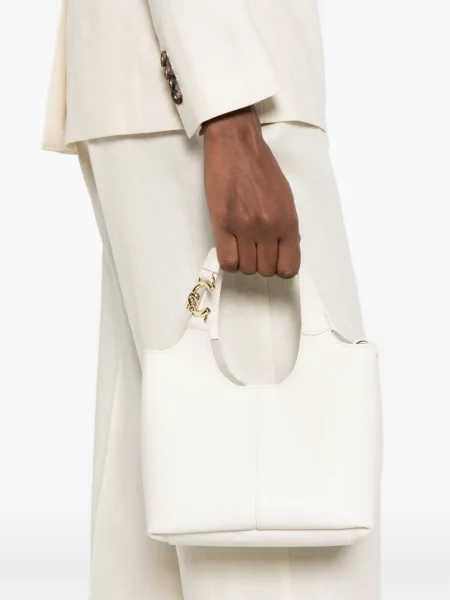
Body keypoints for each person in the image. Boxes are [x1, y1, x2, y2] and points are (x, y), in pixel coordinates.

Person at [43, 0, 381, 599]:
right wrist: (226, 109)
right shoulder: (227, 105)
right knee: (285, 541)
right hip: (225, 93)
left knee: (164, 528)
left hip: (170, 85)